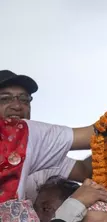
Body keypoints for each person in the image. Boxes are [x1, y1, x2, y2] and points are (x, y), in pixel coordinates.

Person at [0, 70, 94, 200]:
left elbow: (85, 170)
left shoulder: (38, 145)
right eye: (5, 99)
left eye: (24, 99)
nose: (17, 106)